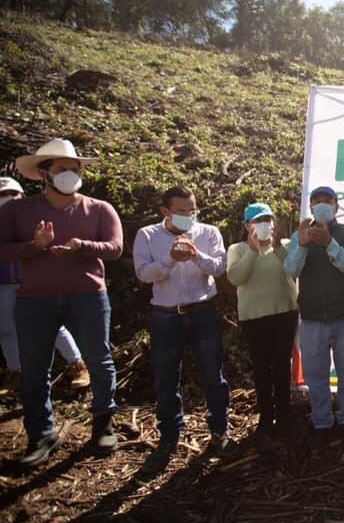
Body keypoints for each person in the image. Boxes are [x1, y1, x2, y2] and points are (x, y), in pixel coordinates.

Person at [0, 139, 122, 467]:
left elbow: (115, 247)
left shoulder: (99, 209)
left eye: (74, 169)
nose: (69, 174)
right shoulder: (16, 211)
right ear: (43, 173)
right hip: (33, 299)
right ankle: (40, 433)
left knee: (99, 360)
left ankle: (103, 424)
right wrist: (33, 246)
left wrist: (83, 246)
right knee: (34, 367)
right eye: (61, 169)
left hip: (89, 296)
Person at [133, 187, 230, 474]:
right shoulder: (147, 236)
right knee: (165, 378)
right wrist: (170, 259)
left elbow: (219, 267)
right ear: (165, 211)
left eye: (193, 210)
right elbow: (143, 273)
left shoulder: (208, 232)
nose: (189, 216)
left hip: (203, 312)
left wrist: (196, 254)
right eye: (182, 211)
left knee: (214, 374)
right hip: (166, 315)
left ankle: (219, 431)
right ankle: (169, 436)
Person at [284, 186, 344, 449]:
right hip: (313, 318)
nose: (322, 206)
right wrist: (304, 245)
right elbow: (291, 269)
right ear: (311, 207)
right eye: (316, 202)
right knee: (316, 376)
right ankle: (322, 423)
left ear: (337, 206)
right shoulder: (299, 235)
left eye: (327, 202)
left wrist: (329, 242)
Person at [0, 177, 90, 393]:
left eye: (12, 194)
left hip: (34, 280)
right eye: (2, 195)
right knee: (6, 328)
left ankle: (77, 365)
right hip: (4, 283)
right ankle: (16, 372)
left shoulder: (32, 218)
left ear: (21, 195)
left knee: (53, 325)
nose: (8, 199)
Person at [226, 202, 298, 437]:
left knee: (281, 366)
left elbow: (294, 270)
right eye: (257, 221)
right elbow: (237, 277)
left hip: (284, 314)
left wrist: (276, 246)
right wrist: (253, 250)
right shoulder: (237, 249)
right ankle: (266, 417)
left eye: (267, 220)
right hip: (253, 319)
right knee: (261, 368)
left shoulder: (285, 245)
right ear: (247, 226)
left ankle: (286, 417)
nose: (264, 224)